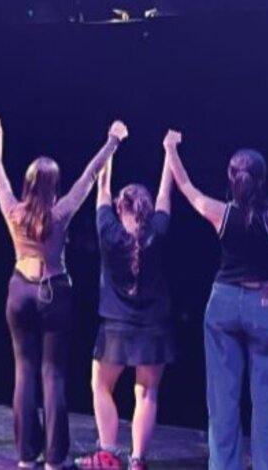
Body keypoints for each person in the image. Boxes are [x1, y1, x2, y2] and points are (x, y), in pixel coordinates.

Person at [0, 113, 127, 470]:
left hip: (20, 292)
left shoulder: (14, 211)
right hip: (53, 294)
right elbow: (89, 176)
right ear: (53, 186)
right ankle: (54, 459)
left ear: (29, 184)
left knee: (24, 372)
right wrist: (113, 140)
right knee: (53, 375)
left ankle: (26, 456)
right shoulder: (60, 212)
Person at [164, 130, 268, 470]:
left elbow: (186, 186)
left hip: (224, 305)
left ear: (231, 179)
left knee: (222, 402)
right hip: (266, 306)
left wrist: (170, 148)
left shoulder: (220, 213)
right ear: (262, 179)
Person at [74, 150, 174, 470]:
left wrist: (112, 148)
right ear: (148, 210)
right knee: (147, 392)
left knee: (101, 385)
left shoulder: (108, 232)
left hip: (115, 327)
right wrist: (169, 153)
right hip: (153, 327)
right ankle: (137, 461)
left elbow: (102, 189)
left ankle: (107, 453)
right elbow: (165, 193)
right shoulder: (158, 232)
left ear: (120, 208)